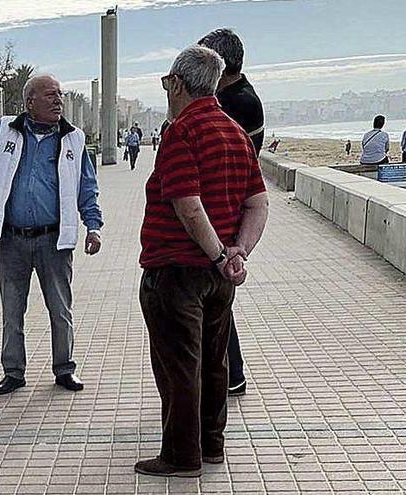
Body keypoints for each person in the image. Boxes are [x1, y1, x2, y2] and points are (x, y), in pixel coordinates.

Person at [135, 45, 268, 477]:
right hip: (218, 277)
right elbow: (258, 203)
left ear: (177, 83)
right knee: (214, 362)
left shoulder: (182, 132)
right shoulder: (234, 132)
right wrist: (236, 254)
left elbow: (187, 206)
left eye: (165, 83)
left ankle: (180, 456)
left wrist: (216, 254)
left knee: (179, 366)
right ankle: (211, 446)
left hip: (176, 271)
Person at [0, 72, 103, 395]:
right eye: (50, 95)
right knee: (12, 309)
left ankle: (65, 369)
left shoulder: (73, 139)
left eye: (60, 94)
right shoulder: (4, 131)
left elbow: (86, 187)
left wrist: (93, 226)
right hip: (12, 240)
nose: (58, 100)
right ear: (30, 101)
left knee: (61, 309)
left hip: (54, 240)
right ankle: (13, 372)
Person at [198, 28, 265, 397]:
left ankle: (231, 373)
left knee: (216, 298)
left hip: (223, 212)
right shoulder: (234, 96)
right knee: (216, 298)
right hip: (225, 208)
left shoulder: (236, 103)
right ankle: (229, 373)